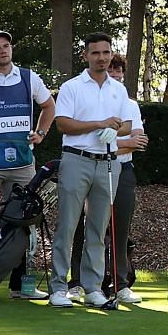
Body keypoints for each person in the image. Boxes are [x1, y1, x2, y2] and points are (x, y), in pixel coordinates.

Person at [50, 33, 128, 308]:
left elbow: (128, 125)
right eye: (96, 53)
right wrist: (99, 123)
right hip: (76, 160)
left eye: (106, 52)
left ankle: (92, 287)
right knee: (68, 226)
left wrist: (114, 127)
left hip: (108, 161)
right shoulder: (72, 87)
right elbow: (63, 124)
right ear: (85, 56)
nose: (102, 58)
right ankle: (59, 287)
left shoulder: (119, 89)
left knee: (98, 228)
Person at [72, 52, 147, 304]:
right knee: (85, 227)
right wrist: (119, 141)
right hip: (92, 167)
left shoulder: (130, 104)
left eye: (118, 70)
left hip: (122, 170)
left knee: (120, 228)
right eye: (111, 69)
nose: (114, 74)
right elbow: (88, 141)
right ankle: (77, 282)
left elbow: (137, 141)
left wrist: (114, 142)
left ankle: (120, 283)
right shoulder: (90, 98)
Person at [0, 28, 55, 299]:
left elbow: (49, 106)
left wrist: (40, 133)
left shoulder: (29, 77)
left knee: (26, 222)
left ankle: (21, 286)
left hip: (22, 161)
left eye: (7, 45)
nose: (3, 50)